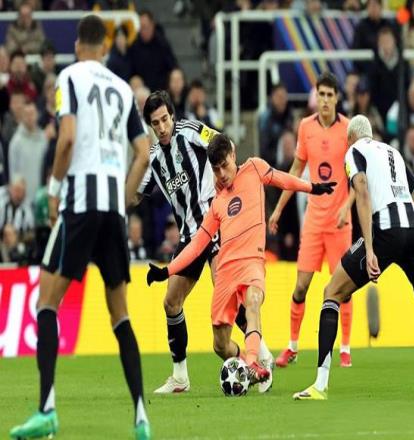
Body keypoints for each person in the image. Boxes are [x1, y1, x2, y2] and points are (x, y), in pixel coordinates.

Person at [9, 15, 152, 439]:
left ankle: (47, 411)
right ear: (104, 48)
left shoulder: (69, 77)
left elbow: (67, 137)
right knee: (120, 314)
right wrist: (123, 197)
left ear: (76, 45)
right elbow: (143, 152)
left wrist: (54, 189)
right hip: (112, 208)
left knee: (46, 303)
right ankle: (141, 417)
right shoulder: (122, 88)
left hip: (81, 204)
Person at [293, 115, 414, 400]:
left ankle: (320, 385)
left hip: (385, 232)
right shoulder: (393, 153)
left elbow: (361, 192)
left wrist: (370, 250)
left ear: (350, 138)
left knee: (331, 292)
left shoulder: (354, 151)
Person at [146, 133, 336, 384]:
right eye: (216, 169)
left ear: (233, 155)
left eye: (224, 165)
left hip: (252, 262)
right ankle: (251, 365)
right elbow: (196, 246)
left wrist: (312, 187)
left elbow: (282, 179)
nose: (221, 174)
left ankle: (255, 362)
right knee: (220, 345)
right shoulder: (217, 204)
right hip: (225, 270)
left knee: (253, 302)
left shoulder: (255, 168)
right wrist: (167, 271)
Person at [136, 90, 274, 394]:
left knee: (227, 292)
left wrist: (231, 190)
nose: (162, 127)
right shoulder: (154, 159)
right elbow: (136, 192)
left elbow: (225, 145)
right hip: (190, 237)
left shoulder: (192, 131)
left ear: (172, 115)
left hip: (217, 226)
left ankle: (261, 355)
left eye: (164, 119)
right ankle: (180, 377)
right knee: (171, 302)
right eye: (155, 123)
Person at [268, 72, 355, 369]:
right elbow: (295, 170)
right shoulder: (305, 127)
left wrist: (347, 206)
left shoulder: (348, 129)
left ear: (337, 98)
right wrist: (279, 209)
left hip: (340, 222)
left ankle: (345, 348)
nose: (325, 100)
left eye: (330, 95)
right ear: (316, 97)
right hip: (314, 221)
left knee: (344, 287)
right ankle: (292, 346)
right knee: (301, 287)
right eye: (321, 95)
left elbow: (359, 176)